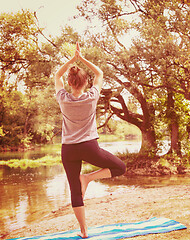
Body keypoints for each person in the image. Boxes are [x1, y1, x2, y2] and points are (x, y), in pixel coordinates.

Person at [54, 42, 126, 238]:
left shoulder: (62, 98)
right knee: (121, 167)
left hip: (68, 150)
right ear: (86, 83)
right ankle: (88, 178)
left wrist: (72, 60)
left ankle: (84, 232)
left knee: (75, 191)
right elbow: (100, 74)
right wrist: (82, 58)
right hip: (89, 147)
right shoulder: (92, 96)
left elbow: (57, 75)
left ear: (69, 82)